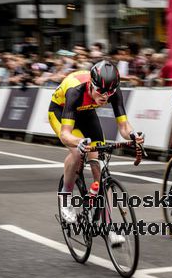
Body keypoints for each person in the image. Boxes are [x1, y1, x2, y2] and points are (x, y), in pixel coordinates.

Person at [48, 60, 144, 239]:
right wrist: (78, 142)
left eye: (110, 92)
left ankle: (108, 227)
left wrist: (133, 135)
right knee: (77, 152)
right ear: (91, 85)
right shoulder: (75, 92)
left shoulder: (112, 91)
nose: (105, 96)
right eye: (100, 91)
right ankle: (66, 197)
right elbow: (65, 134)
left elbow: (123, 127)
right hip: (61, 111)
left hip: (86, 112)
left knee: (100, 170)